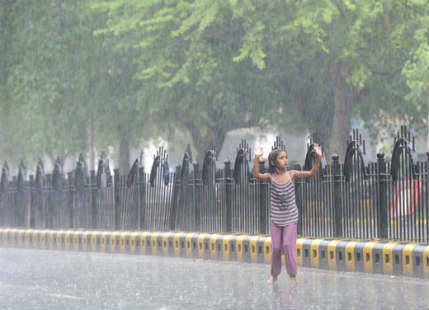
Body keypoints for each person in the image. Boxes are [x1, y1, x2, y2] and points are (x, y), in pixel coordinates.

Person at [252, 144, 322, 285]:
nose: (285, 160)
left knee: (288, 245)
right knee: (276, 247)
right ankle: (274, 275)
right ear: (273, 162)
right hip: (276, 217)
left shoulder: (292, 174)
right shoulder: (270, 177)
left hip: (290, 216)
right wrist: (256, 158)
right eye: (281, 158)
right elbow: (256, 175)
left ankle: (292, 276)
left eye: (286, 157)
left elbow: (311, 173)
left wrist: (319, 157)